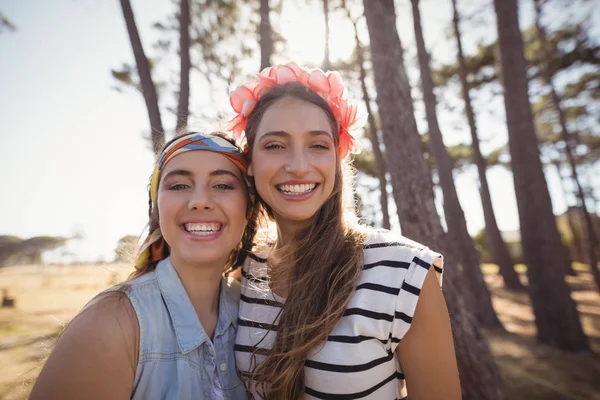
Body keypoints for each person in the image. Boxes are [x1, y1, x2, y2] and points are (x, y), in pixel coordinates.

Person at [227, 63, 462, 399]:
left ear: (337, 157)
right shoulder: (243, 269)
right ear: (249, 161)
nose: (297, 165)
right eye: (275, 146)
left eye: (318, 145)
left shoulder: (404, 272)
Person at [30, 132, 254, 399]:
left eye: (223, 185)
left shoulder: (256, 312)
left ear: (248, 208)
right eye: (179, 185)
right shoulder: (110, 324)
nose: (200, 201)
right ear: (157, 209)